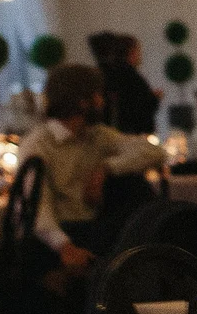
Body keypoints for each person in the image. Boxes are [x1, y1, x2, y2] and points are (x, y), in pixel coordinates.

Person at [17, 62, 162, 276]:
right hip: (54, 240)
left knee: (137, 192)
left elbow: (154, 152)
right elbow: (37, 210)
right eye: (98, 95)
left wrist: (106, 168)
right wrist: (65, 247)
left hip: (93, 230)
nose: (103, 102)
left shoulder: (97, 135)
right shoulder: (38, 144)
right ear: (82, 102)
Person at [104, 35, 161, 136]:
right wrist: (154, 97)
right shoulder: (132, 77)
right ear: (131, 52)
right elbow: (142, 106)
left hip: (116, 132)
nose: (140, 55)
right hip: (136, 133)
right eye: (138, 50)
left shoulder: (109, 75)